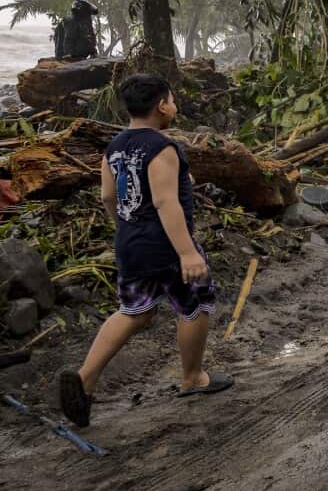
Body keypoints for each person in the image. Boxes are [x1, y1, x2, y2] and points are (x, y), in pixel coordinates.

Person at [58, 74, 231, 428]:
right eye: (172, 98)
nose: (175, 105)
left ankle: (85, 379)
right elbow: (167, 202)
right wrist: (187, 253)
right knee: (194, 302)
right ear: (162, 106)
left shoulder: (115, 146)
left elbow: (108, 197)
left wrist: (126, 225)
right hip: (166, 243)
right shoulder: (162, 147)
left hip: (130, 242)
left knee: (134, 311)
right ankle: (193, 377)